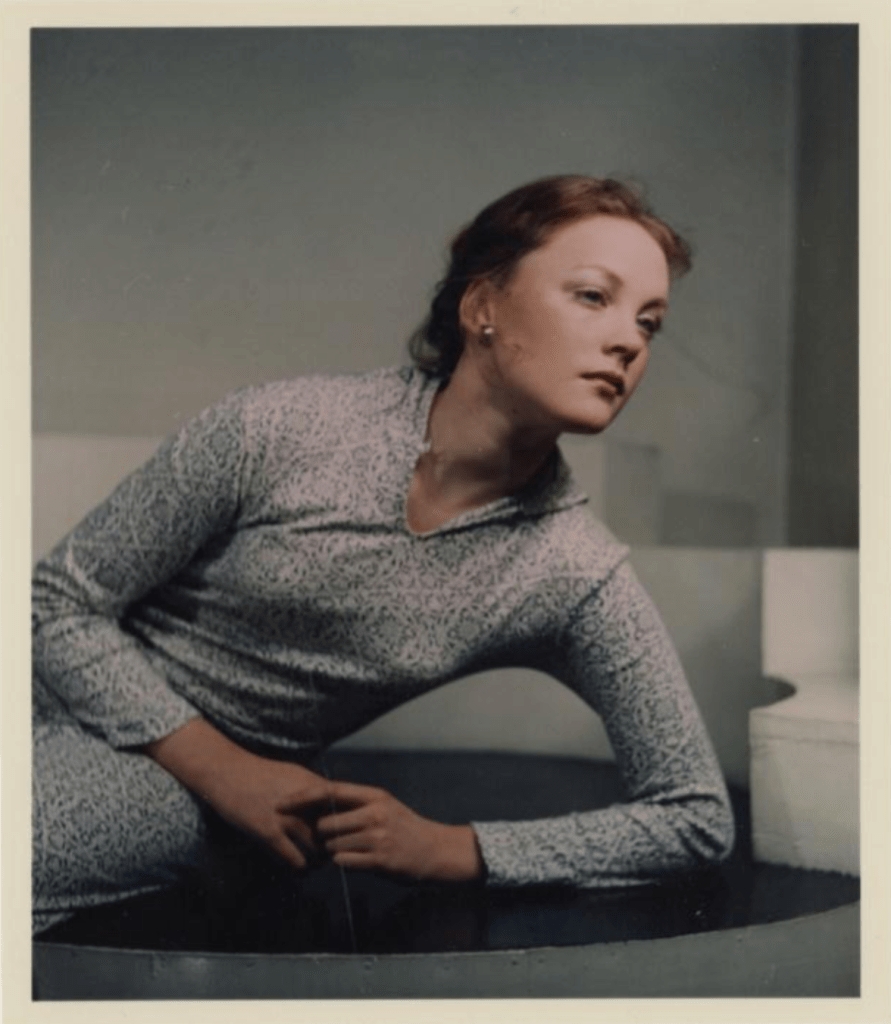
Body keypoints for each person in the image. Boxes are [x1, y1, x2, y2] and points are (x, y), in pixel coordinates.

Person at [32, 175, 735, 937]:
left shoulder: (571, 571)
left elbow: (693, 815)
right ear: (482, 305)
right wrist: (225, 771)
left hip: (165, 797)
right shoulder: (284, 427)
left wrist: (459, 849)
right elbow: (55, 602)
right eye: (593, 296)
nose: (629, 341)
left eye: (649, 323)